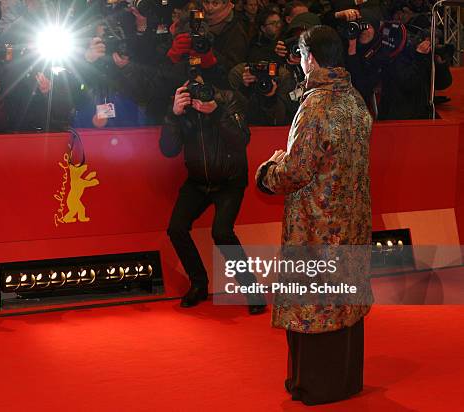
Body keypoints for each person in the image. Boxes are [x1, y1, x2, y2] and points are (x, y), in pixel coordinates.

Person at [255, 25, 373, 405]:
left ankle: (314, 386)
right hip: (352, 223)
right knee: (345, 302)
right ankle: (345, 381)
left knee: (315, 305)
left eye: (301, 54)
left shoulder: (316, 104)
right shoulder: (355, 99)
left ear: (309, 58)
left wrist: (267, 170)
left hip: (317, 227)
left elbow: (297, 171)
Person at [160, 76, 266, 315]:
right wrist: (173, 115)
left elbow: (241, 141)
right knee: (176, 228)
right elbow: (168, 150)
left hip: (230, 180)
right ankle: (198, 284)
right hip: (197, 181)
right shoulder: (182, 107)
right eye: (191, 85)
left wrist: (217, 113)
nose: (198, 90)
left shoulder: (228, 99)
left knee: (222, 232)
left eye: (200, 83)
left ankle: (252, 290)